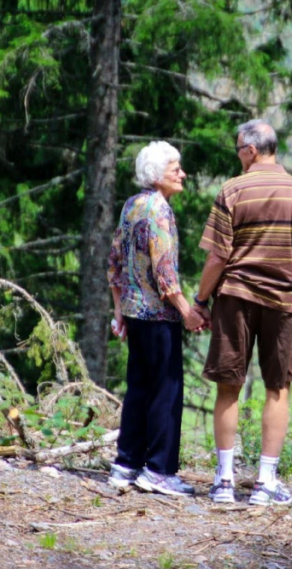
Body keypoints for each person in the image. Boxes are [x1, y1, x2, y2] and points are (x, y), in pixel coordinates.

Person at [192, 119, 292, 506]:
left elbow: (218, 256)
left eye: (238, 150)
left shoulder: (232, 189)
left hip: (235, 298)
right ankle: (266, 483)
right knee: (277, 389)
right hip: (285, 302)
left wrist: (200, 302)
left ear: (251, 150)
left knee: (228, 387)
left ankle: (224, 482)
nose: (237, 156)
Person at [106, 141, 204, 497]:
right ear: (157, 174)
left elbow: (114, 263)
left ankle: (126, 464)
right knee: (166, 390)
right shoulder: (159, 210)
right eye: (175, 168)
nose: (182, 174)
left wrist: (119, 313)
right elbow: (165, 274)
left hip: (134, 313)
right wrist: (188, 312)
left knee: (139, 389)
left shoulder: (132, 205)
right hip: (159, 316)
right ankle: (159, 470)